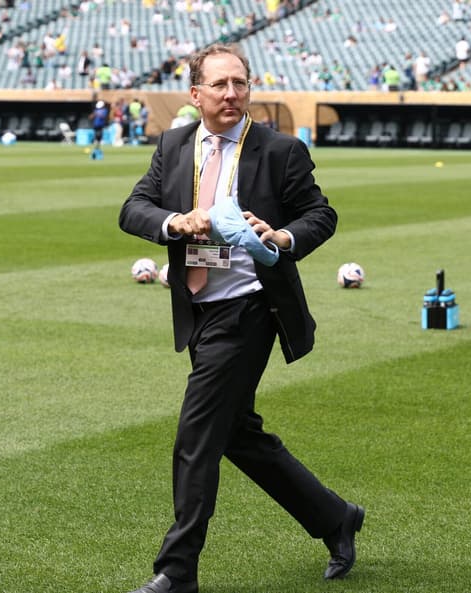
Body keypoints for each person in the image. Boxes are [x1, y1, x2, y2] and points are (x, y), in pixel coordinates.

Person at [118, 43, 363, 593]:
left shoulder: (279, 150)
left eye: (241, 83)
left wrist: (281, 236)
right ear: (195, 93)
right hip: (199, 309)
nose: (232, 94)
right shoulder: (176, 143)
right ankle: (335, 517)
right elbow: (133, 208)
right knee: (236, 435)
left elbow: (320, 214)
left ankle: (176, 572)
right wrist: (174, 223)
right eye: (221, 84)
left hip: (251, 308)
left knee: (197, 434)